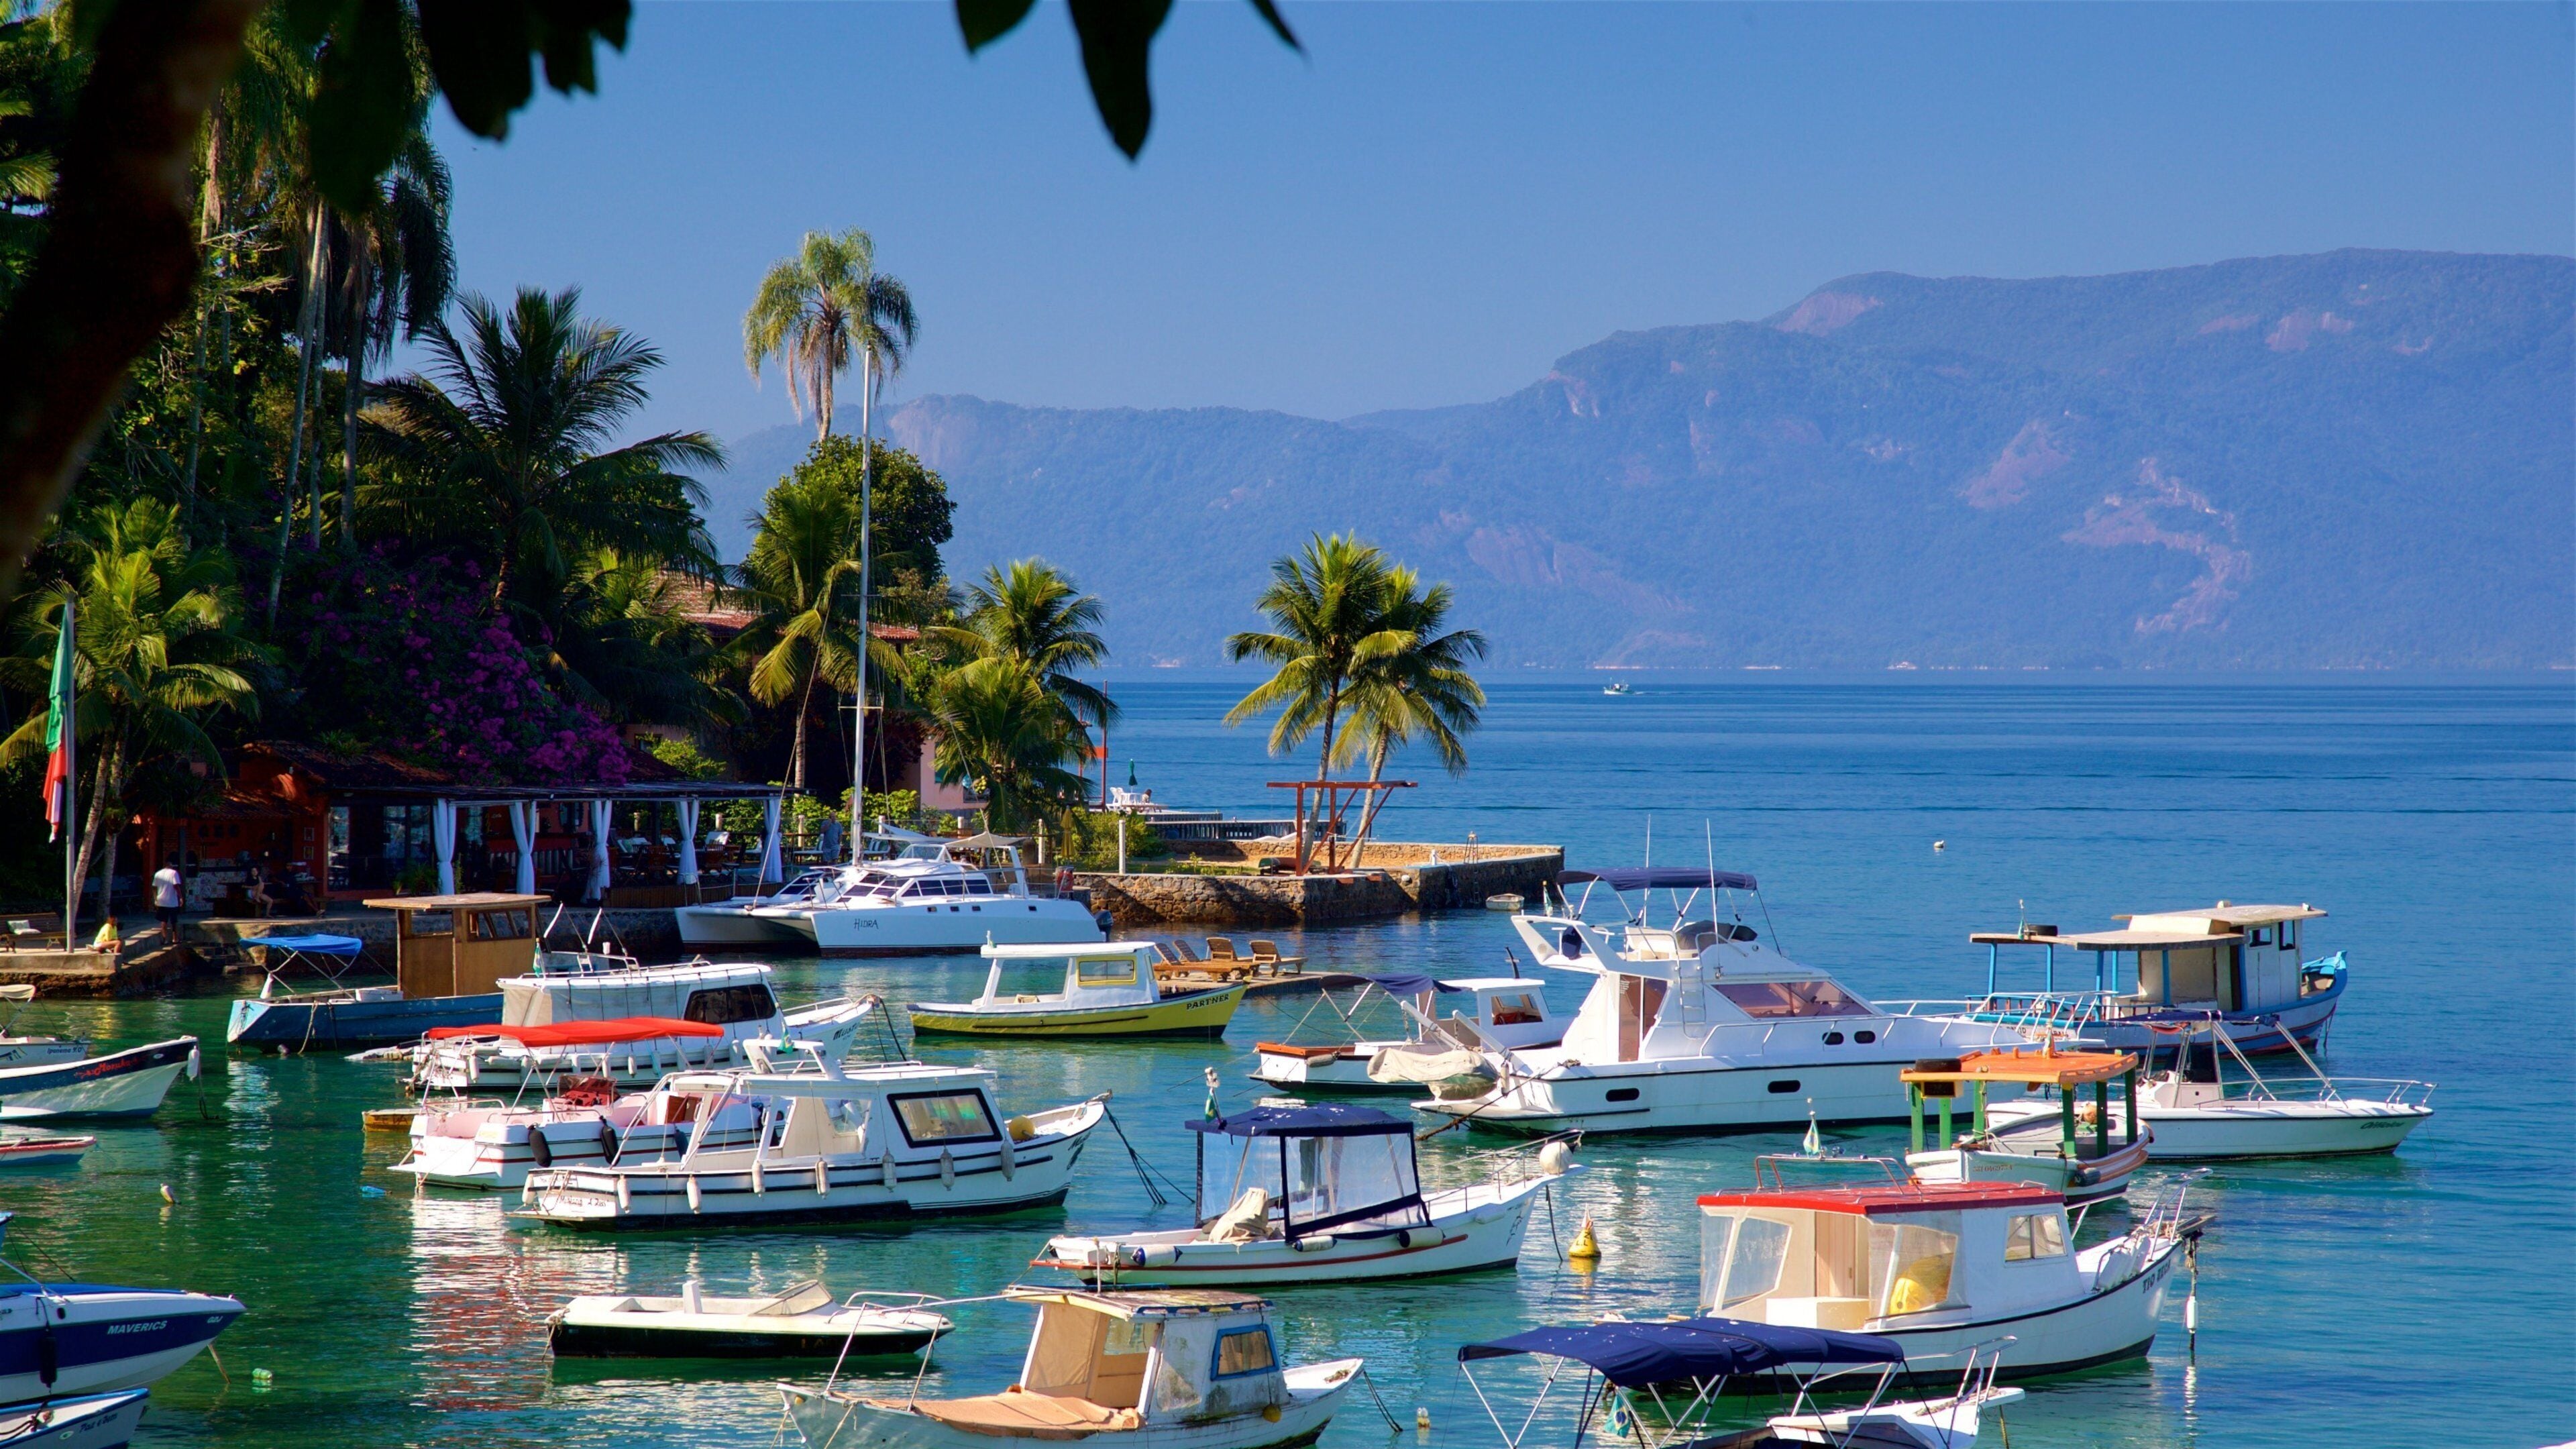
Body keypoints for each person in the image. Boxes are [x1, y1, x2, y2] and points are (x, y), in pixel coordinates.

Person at [152, 854, 184, 941]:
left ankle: (165, 939)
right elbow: (176, 886)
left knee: (163, 921)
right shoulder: (174, 873)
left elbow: (154, 888)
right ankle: (175, 939)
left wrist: (155, 899)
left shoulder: (157, 874)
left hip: (161, 901)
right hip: (172, 901)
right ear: (171, 866)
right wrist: (181, 897)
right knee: (174, 921)